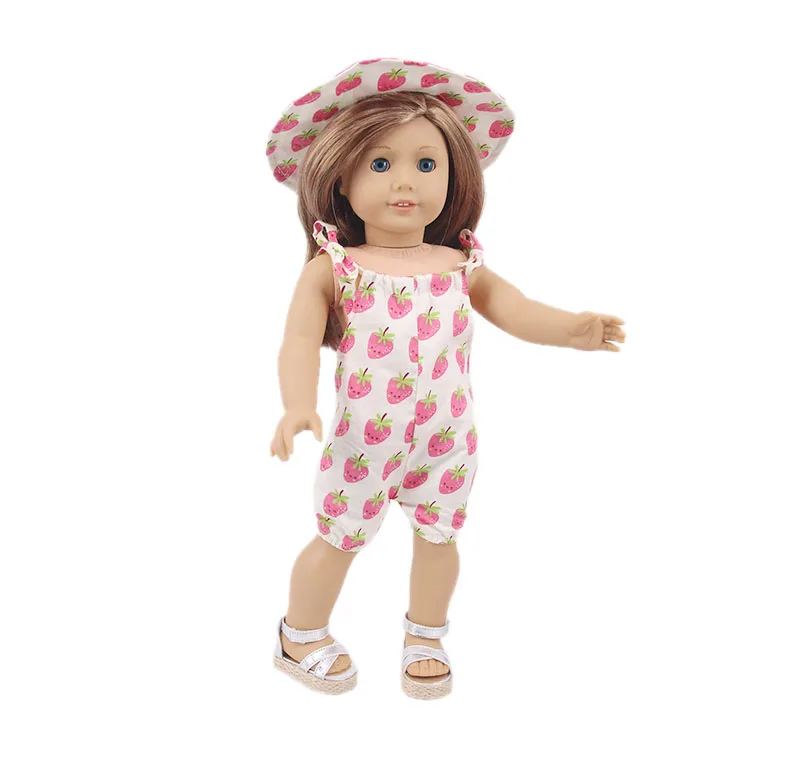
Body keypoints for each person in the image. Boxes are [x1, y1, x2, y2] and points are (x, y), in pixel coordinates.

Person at [267, 58, 626, 699]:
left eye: (426, 163)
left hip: (446, 436)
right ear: (341, 177)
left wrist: (571, 328)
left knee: (440, 537)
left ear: (453, 174)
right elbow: (298, 339)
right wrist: (297, 404)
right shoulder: (336, 266)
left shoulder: (459, 264)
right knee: (339, 538)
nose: (405, 182)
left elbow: (513, 308)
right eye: (381, 163)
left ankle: (426, 635)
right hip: (364, 439)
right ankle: (301, 633)